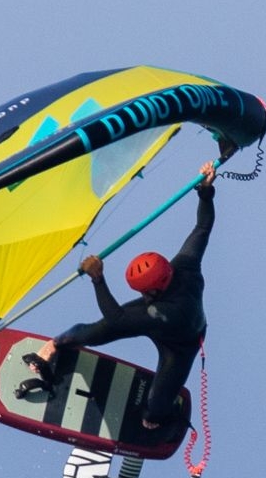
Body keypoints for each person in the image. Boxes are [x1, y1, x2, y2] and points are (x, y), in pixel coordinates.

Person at [27, 160, 217, 430]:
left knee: (155, 411)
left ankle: (155, 416)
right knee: (92, 333)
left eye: (142, 291)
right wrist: (206, 191)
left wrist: (98, 279)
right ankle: (58, 343)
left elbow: (117, 318)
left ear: (154, 289)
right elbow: (202, 228)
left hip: (180, 342)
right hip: (161, 311)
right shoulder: (184, 263)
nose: (142, 294)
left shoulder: (164, 312)